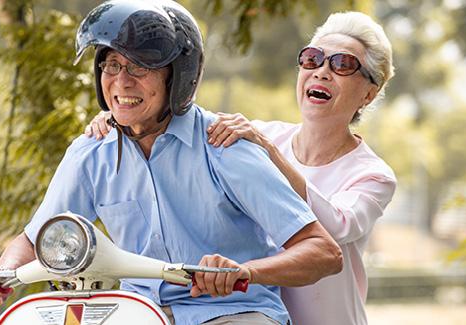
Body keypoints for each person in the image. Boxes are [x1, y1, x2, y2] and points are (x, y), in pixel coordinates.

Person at [0, 1, 343, 324]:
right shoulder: (90, 153)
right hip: (137, 313)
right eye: (111, 66)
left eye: (139, 68)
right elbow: (33, 240)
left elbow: (324, 252)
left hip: (232, 313)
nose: (121, 82)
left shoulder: (225, 146)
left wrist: (244, 272)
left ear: (178, 78)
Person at [86, 11, 396, 325]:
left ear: (369, 92)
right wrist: (123, 113)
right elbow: (181, 121)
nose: (322, 72)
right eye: (312, 59)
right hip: (250, 314)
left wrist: (271, 152)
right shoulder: (254, 137)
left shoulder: (371, 173)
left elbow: (338, 227)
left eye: (342, 64)